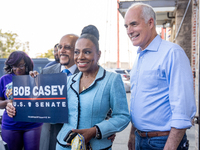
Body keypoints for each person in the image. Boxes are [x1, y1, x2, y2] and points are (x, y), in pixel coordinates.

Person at [124, 3, 196, 150]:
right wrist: (133, 133)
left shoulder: (172, 53)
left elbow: (183, 109)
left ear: (150, 23)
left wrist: (169, 147)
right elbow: (140, 101)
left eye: (133, 24)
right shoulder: (140, 57)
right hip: (140, 139)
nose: (129, 31)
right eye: (126, 26)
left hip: (163, 142)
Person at [56, 25, 130, 150]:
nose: (80, 57)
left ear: (98, 54)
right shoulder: (68, 81)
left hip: (96, 146)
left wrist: (95, 131)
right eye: (77, 52)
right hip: (64, 145)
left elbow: (122, 116)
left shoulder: (111, 80)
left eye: (87, 52)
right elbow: (50, 108)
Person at [1, 51, 43, 150]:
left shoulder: (34, 77)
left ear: (27, 64)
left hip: (33, 124)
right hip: (11, 125)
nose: (17, 69)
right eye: (14, 66)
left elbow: (44, 99)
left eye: (21, 65)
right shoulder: (4, 79)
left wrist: (38, 81)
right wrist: (7, 102)